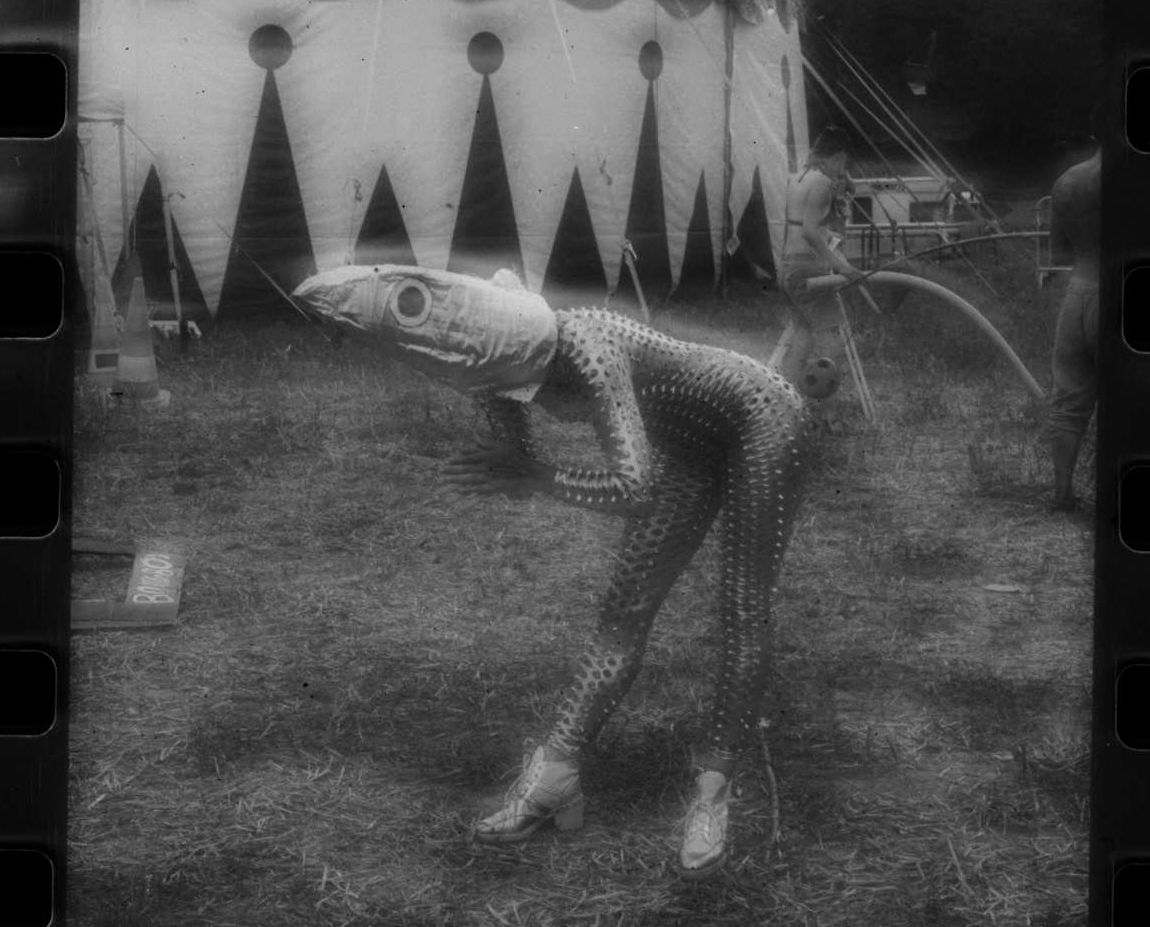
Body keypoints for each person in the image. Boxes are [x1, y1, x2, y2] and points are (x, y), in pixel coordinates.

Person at [292, 262, 811, 879]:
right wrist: (515, 466)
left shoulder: (591, 347)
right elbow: (519, 456)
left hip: (762, 417)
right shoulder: (489, 367)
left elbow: (633, 487)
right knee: (623, 613)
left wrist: (539, 479)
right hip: (689, 448)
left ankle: (714, 790)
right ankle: (557, 777)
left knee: (743, 606)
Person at [773, 127, 863, 427]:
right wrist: (840, 266)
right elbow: (810, 232)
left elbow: (811, 223)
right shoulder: (823, 182)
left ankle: (780, 407)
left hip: (788, 269)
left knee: (803, 339)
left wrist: (843, 179)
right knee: (831, 344)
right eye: (843, 162)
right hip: (808, 270)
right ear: (838, 157)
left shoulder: (800, 177)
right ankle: (830, 417)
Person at [1047, 144, 1101, 510]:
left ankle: (1062, 493)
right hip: (1117, 291)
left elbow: (1060, 254)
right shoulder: (1136, 179)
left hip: (1077, 294)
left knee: (1068, 401)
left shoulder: (1067, 181)